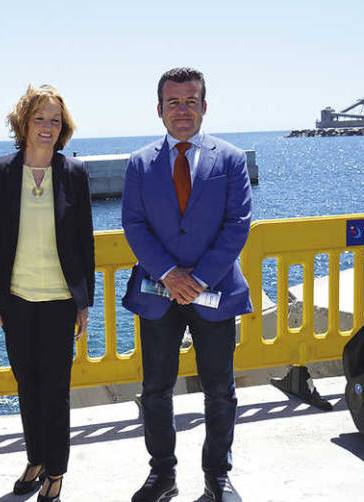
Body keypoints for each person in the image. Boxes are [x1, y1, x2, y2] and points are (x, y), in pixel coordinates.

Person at [121, 67, 252, 502]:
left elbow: (237, 225)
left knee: (220, 391)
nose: (182, 110)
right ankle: (163, 475)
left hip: (214, 293)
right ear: (159, 110)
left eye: (190, 101)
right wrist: (169, 275)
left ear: (204, 106)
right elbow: (134, 226)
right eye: (173, 102)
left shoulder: (230, 159)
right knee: (155, 390)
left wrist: (195, 279)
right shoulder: (140, 163)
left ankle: (218, 476)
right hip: (158, 294)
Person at [0, 84, 95, 502]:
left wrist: (84, 302)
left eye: (55, 121)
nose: (47, 127)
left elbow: (85, 241)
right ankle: (36, 458)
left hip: (61, 301)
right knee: (27, 386)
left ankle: (56, 472)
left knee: (55, 390)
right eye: (39, 119)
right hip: (15, 300)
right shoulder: (0, 172)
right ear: (23, 124)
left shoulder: (75, 173)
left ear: (63, 128)